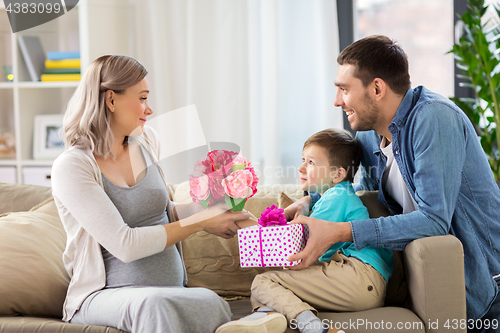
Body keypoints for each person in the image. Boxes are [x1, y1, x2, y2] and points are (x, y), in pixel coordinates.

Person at [285, 35, 500, 330]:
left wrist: (340, 232)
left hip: (485, 289)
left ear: (376, 88)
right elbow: (358, 193)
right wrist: (309, 200)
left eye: (344, 89)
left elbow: (434, 220)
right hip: (424, 281)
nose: (337, 101)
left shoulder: (433, 119)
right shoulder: (369, 134)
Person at [51, 55, 251, 333]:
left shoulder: (145, 141)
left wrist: (214, 204)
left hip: (166, 290)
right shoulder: (73, 166)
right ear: (111, 100)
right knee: (153, 303)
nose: (149, 109)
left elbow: (161, 211)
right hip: (102, 296)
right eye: (142, 98)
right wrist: (201, 223)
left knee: (209, 300)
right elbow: (125, 245)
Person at [215, 128, 393, 333]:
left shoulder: (336, 198)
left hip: (360, 278)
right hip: (361, 280)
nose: (300, 168)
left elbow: (291, 247)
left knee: (262, 282)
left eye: (310, 162)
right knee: (267, 290)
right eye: (303, 160)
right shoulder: (332, 197)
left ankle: (314, 327)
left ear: (338, 174)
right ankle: (265, 316)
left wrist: (240, 218)